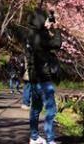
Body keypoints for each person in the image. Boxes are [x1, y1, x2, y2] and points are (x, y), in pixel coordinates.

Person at [25, 9, 62, 144]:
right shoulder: (40, 36)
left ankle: (34, 137)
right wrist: (57, 29)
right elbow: (56, 44)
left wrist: (45, 30)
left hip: (34, 78)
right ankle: (49, 139)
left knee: (35, 108)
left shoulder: (30, 35)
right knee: (50, 108)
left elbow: (44, 46)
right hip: (43, 78)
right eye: (44, 19)